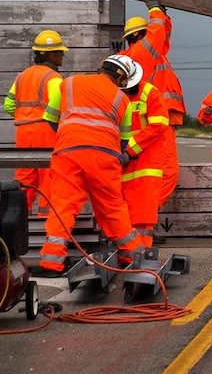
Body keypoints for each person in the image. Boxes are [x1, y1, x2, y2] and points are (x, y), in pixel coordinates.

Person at [31, 54, 146, 277]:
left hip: (68, 153)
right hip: (105, 156)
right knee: (112, 207)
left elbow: (51, 119)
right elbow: (123, 143)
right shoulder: (123, 101)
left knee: (63, 206)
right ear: (121, 79)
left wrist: (72, 138)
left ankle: (52, 263)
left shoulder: (69, 83)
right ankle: (133, 255)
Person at [119, 0, 186, 219]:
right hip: (154, 122)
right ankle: (145, 213)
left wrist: (164, 16)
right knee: (167, 173)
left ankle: (142, 215)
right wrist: (155, 11)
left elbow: (162, 38)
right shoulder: (139, 53)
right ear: (139, 35)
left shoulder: (147, 54)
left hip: (155, 120)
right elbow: (157, 34)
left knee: (152, 175)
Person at [4, 30, 67, 217]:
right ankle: (47, 222)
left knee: (25, 178)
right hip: (45, 130)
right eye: (59, 51)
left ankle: (18, 223)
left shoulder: (22, 76)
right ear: (49, 54)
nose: (62, 55)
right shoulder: (53, 78)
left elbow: (9, 105)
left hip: (23, 131)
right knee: (49, 176)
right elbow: (58, 108)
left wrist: (25, 115)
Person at [120, 59, 170, 248]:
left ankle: (143, 252)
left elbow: (159, 125)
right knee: (121, 211)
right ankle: (126, 252)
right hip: (122, 161)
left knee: (143, 213)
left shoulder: (149, 93)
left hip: (145, 163)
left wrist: (130, 148)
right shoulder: (117, 93)